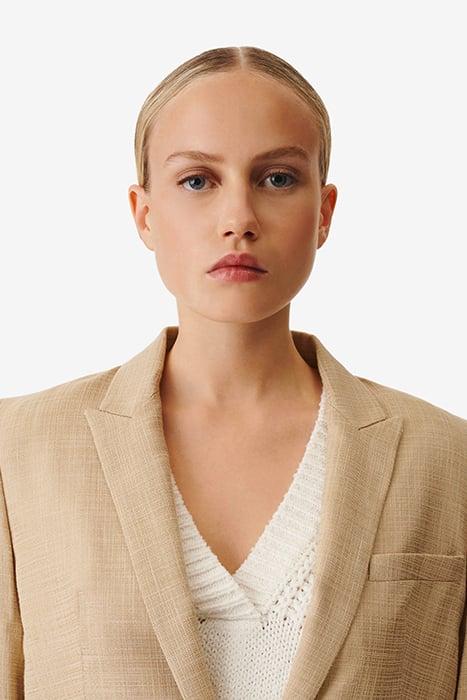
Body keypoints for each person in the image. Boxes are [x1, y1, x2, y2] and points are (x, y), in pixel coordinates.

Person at [1, 45, 465, 700]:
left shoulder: (446, 458)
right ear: (144, 214)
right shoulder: (20, 451)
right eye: (197, 181)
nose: (239, 220)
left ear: (324, 212)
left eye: (276, 178)